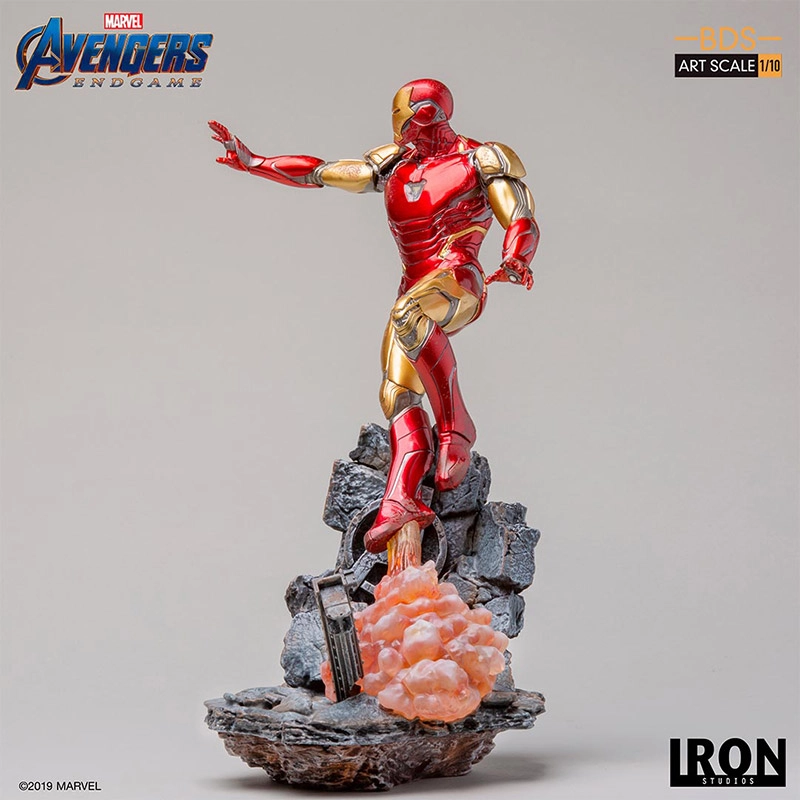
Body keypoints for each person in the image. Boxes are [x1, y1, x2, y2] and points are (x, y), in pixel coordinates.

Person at [209, 78, 539, 554]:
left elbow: (520, 214)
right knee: (396, 394)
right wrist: (254, 162)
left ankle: (456, 427)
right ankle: (401, 498)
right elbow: (321, 172)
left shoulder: (479, 159)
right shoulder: (394, 162)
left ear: (423, 115)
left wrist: (516, 256)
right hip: (413, 287)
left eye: (406, 119)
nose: (402, 130)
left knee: (409, 314)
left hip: (458, 279)